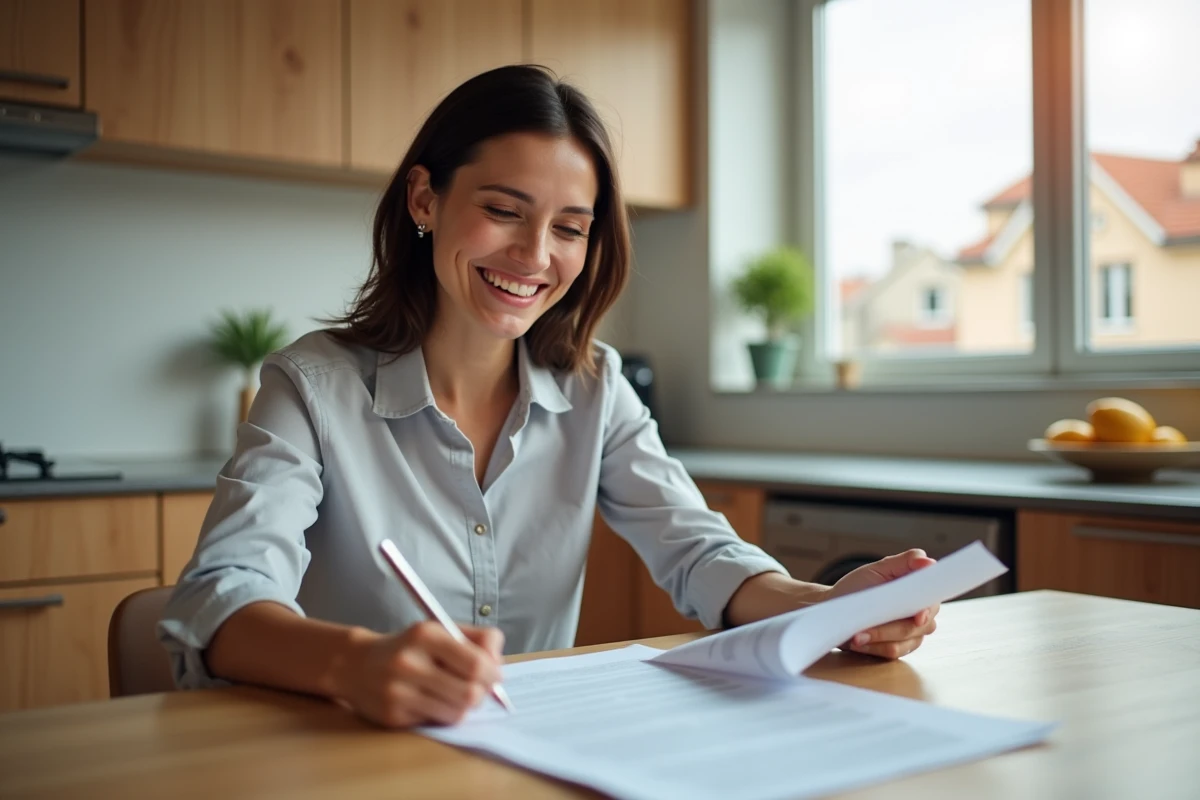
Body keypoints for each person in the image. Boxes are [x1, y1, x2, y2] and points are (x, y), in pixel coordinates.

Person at [159, 65, 939, 729]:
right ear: (424, 200)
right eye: (503, 211)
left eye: (570, 228)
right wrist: (357, 663)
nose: (535, 256)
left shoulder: (595, 387)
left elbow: (699, 552)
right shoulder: (313, 386)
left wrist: (828, 608)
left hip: (520, 751)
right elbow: (223, 594)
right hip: (344, 751)